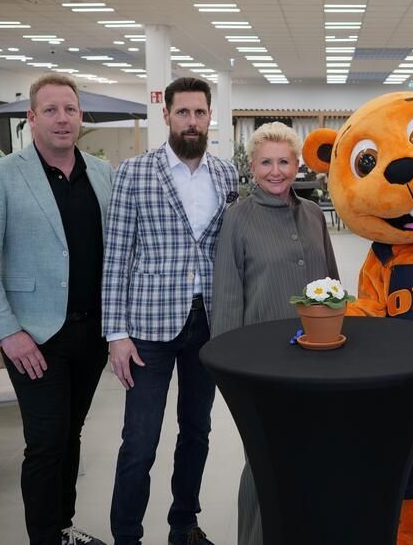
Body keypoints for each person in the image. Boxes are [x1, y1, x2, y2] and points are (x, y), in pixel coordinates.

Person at [0, 73, 112, 545]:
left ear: (81, 116)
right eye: (50, 110)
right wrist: (7, 332)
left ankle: (62, 528)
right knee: (46, 442)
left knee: (71, 435)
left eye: (69, 109)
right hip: (33, 336)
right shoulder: (0, 177)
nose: (62, 119)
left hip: (92, 333)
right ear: (31, 119)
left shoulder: (101, 172)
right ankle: (45, 538)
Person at [105, 76, 239, 545]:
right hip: (147, 329)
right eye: (183, 112)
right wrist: (115, 334)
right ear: (166, 115)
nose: (191, 121)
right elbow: (117, 255)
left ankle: (184, 524)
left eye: (199, 113)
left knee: (196, 432)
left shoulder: (226, 175)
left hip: (207, 327)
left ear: (209, 116)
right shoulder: (133, 173)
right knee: (139, 441)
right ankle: (126, 535)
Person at [211, 122, 340, 545]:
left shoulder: (313, 214)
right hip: (262, 362)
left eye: (284, 161)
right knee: (265, 458)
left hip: (316, 356)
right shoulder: (237, 219)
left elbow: (334, 287)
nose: (276, 171)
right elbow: (228, 292)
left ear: (297, 164)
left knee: (312, 453)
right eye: (266, 162)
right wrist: (228, 366)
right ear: (252, 165)